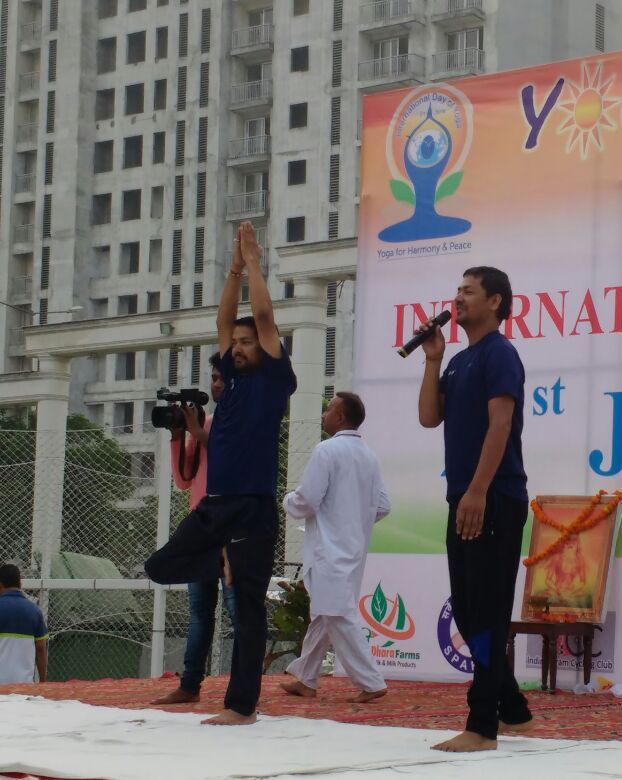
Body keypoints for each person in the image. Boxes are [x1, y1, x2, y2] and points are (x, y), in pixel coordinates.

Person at [145, 221, 296, 725]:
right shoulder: (230, 383)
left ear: (265, 347)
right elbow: (223, 320)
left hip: (251, 508)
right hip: (215, 507)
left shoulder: (274, 379)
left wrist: (253, 264)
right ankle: (222, 558)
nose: (238, 347)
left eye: (247, 342)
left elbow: (263, 316)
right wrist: (232, 271)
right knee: (160, 566)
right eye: (236, 344)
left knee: (247, 611)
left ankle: (241, 706)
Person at [416, 266, 534, 752]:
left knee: (487, 610)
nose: (458, 298)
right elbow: (429, 417)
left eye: (468, 291)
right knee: (466, 611)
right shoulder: (460, 360)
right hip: (464, 496)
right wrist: (433, 359)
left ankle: (483, 725)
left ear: (495, 302)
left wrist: (479, 491)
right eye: (457, 290)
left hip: (494, 496)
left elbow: (500, 425)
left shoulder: (500, 353)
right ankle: (513, 707)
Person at [279, 392, 391, 703]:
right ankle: (306, 677)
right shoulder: (369, 455)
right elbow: (383, 505)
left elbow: (307, 500)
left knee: (337, 614)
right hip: (354, 546)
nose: (324, 414)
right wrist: (355, 518)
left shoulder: (326, 450)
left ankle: (371, 681)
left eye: (329, 409)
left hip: (328, 549)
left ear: (340, 417)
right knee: (324, 613)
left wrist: (287, 501)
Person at [151, 353, 238, 706]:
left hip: (231, 528)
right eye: (213, 378)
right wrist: (177, 436)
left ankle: (243, 688)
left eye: (221, 378)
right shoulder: (207, 422)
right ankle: (189, 685)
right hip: (201, 528)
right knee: (199, 613)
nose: (215, 384)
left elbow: (232, 463)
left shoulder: (239, 423)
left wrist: (199, 433)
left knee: (238, 612)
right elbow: (184, 480)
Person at [0, 563, 47, 684]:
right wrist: (42, 682)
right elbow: (40, 649)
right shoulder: (34, 611)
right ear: (20, 584)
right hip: (24, 686)